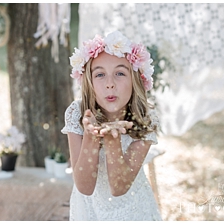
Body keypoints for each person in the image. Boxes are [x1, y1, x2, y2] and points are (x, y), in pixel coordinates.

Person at [62, 31, 162, 220]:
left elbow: (119, 187)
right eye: (100, 74)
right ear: (89, 82)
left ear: (136, 81)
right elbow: (84, 187)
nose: (110, 83)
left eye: (120, 73)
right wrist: (91, 138)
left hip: (132, 211)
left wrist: (112, 139)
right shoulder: (77, 113)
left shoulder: (146, 118)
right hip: (89, 211)